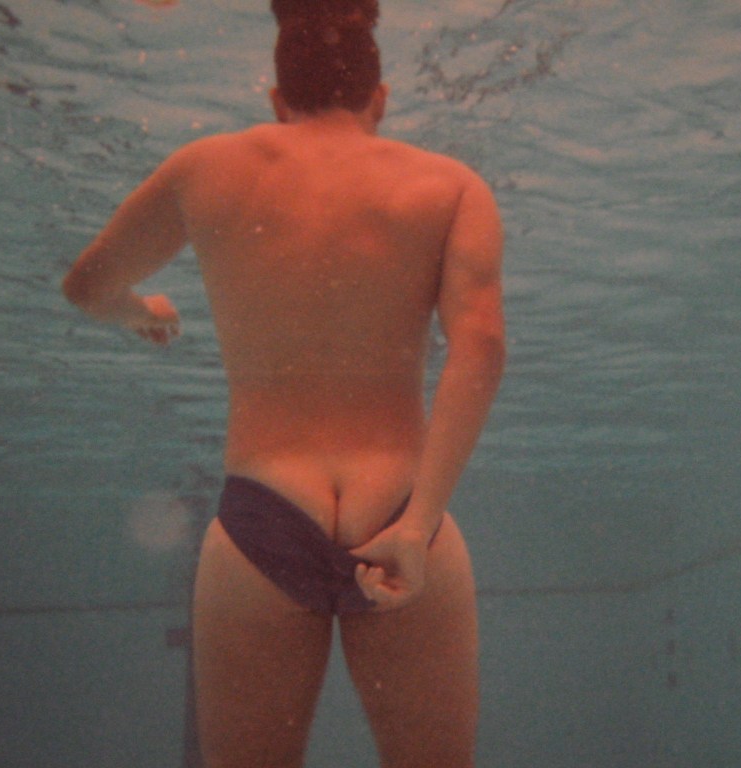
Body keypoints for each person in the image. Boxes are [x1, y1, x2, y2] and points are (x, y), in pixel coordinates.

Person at [62, 0, 504, 765]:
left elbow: (86, 286)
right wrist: (416, 523)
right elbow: (483, 349)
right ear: (380, 99)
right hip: (402, 506)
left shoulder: (205, 168)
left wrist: (141, 313)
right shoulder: (450, 186)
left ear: (276, 99)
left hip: (262, 514)